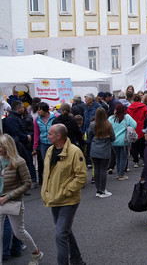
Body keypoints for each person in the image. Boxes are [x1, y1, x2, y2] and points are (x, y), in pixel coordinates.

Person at [41, 124, 87, 265]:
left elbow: (81, 177)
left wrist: (65, 191)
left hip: (68, 200)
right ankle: (77, 259)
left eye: (49, 134)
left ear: (58, 136)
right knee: (65, 231)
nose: (47, 136)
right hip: (54, 198)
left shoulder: (74, 152)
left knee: (60, 234)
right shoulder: (50, 150)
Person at [0, 134, 43, 265]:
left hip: (13, 201)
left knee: (19, 232)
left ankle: (36, 252)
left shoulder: (19, 162)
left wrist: (9, 196)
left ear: (7, 146)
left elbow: (27, 184)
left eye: (0, 145)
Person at [88, 108, 115, 197]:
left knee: (96, 169)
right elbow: (113, 138)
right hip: (105, 150)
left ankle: (98, 189)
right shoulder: (108, 125)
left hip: (95, 149)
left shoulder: (92, 125)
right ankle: (102, 190)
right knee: (103, 170)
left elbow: (89, 137)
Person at [108, 103, 137, 181]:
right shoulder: (126, 117)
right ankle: (121, 174)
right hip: (124, 141)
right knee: (123, 157)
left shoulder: (111, 118)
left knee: (117, 157)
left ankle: (118, 172)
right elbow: (134, 125)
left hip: (114, 141)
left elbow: (107, 126)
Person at [127, 94, 147, 168]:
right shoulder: (144, 107)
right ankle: (144, 160)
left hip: (133, 128)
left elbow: (127, 118)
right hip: (141, 128)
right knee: (142, 145)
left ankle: (135, 161)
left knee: (134, 145)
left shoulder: (129, 108)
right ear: (140, 99)